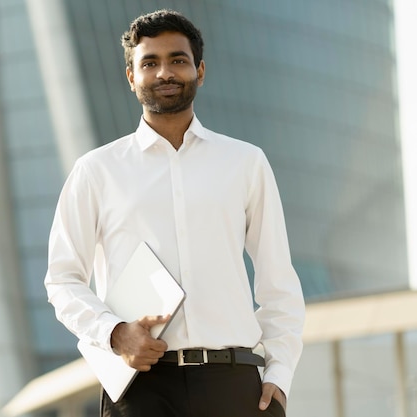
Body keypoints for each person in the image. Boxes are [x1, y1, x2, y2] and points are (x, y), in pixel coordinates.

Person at [44, 9, 305, 417]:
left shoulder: (245, 162)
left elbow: (278, 282)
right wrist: (114, 333)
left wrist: (280, 374)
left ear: (200, 71)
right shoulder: (96, 171)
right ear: (131, 77)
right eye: (150, 62)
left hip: (235, 385)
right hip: (141, 388)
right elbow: (61, 280)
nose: (165, 72)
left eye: (178, 60)